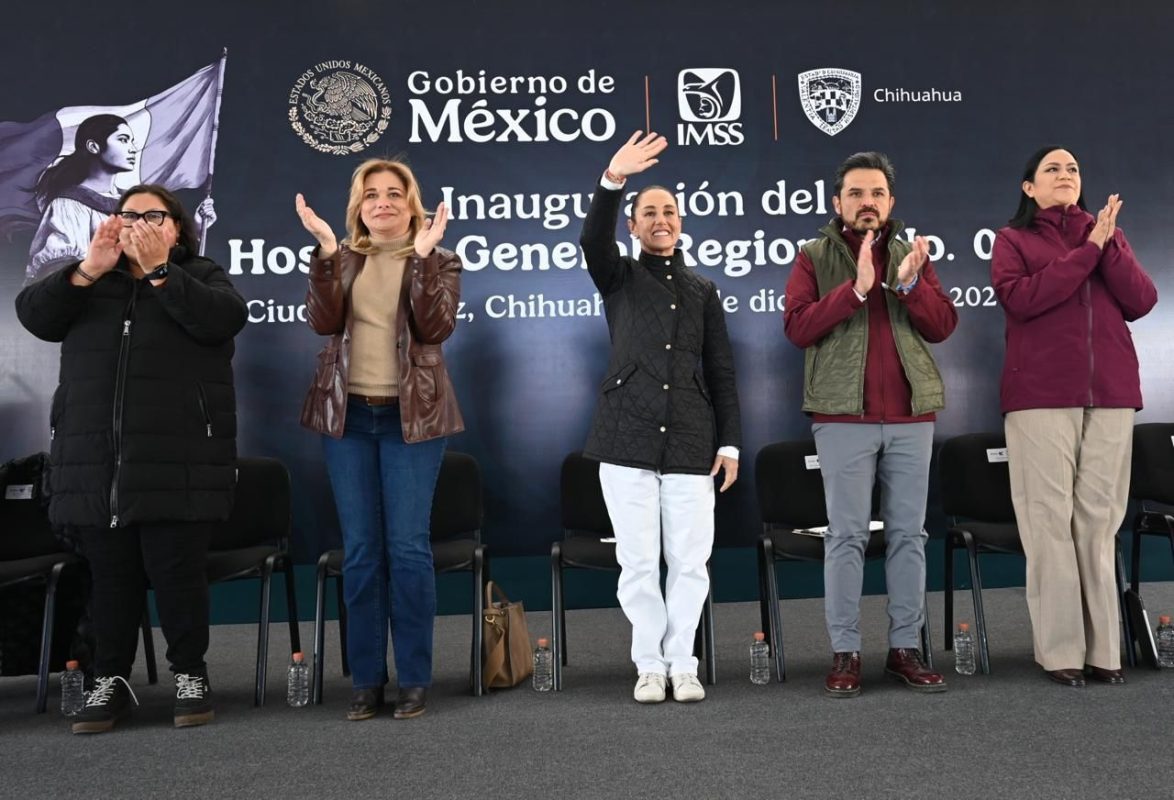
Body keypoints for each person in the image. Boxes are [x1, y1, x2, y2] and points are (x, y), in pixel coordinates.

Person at [15, 184, 246, 733]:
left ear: (176, 228)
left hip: (177, 459)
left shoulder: (201, 275)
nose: (137, 223)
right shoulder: (90, 280)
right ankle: (111, 681)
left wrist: (162, 271)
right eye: (127, 214)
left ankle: (190, 675)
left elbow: (223, 319)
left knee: (177, 574)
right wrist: (88, 269)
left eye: (153, 216)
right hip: (97, 463)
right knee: (110, 578)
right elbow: (35, 316)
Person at [783, 151, 957, 698]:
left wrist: (909, 285)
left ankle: (905, 648)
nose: (867, 202)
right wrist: (855, 291)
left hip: (911, 416)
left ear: (890, 202)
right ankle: (846, 651)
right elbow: (798, 328)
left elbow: (942, 326)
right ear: (838, 202)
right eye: (856, 193)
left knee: (909, 535)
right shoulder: (813, 256)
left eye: (876, 193)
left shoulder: (911, 254)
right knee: (847, 536)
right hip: (842, 416)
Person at [297, 158, 463, 720]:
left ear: (412, 204)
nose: (383, 203)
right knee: (363, 551)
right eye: (372, 195)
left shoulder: (440, 259)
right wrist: (325, 252)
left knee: (408, 549)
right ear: (359, 206)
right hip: (347, 419)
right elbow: (323, 322)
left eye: (394, 193)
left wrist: (422, 260)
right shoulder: (342, 258)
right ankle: (366, 680)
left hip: (412, 419)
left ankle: (415, 677)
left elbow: (435, 328)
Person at [580, 131, 741, 704]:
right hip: (624, 437)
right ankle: (649, 664)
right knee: (639, 563)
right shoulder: (618, 276)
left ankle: (683, 663)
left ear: (681, 223)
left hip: (692, 441)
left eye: (668, 211)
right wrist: (613, 179)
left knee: (691, 563)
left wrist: (730, 444)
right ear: (633, 226)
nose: (660, 219)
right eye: (648, 212)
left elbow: (721, 371)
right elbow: (592, 239)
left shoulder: (702, 290)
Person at [991, 146, 1157, 687]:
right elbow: (1024, 299)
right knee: (1049, 522)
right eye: (1052, 169)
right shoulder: (1013, 240)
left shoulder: (1106, 234)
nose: (1065, 175)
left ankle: (1104, 650)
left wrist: (1107, 245)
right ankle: (1061, 650)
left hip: (1111, 393)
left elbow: (1142, 300)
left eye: (1073, 169)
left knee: (1098, 522)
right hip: (1039, 395)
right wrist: (1088, 251)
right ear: (1029, 187)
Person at [26, 114, 215, 283]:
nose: (133, 149)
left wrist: (197, 228)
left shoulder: (134, 204)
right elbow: (58, 273)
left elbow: (160, 266)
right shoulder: (69, 205)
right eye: (123, 140)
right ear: (93, 146)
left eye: (131, 141)